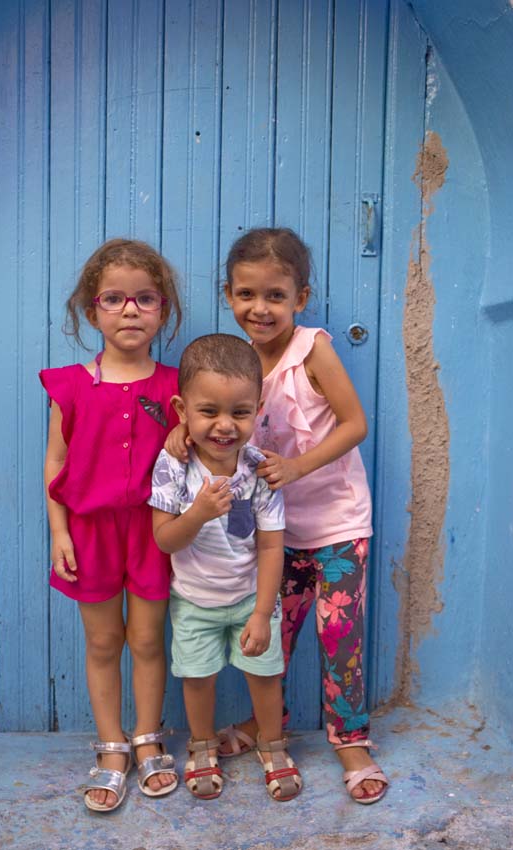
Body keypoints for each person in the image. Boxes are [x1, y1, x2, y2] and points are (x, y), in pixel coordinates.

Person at [168, 227, 388, 804]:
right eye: (246, 294)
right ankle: (271, 727)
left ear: (300, 298)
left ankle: (350, 740)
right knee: (268, 639)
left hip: (337, 525)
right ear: (228, 295)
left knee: (339, 638)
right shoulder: (235, 360)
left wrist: (296, 467)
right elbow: (214, 415)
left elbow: (355, 424)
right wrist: (181, 431)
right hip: (274, 535)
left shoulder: (311, 350)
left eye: (275, 295)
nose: (259, 308)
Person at [40, 238, 182, 812]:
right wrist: (59, 532)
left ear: (163, 311)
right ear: (91, 309)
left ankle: (148, 737)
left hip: (154, 532)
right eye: (114, 298)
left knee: (147, 640)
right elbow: (55, 462)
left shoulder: (176, 386)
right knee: (103, 641)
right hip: (89, 534)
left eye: (145, 298)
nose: (130, 310)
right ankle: (112, 746)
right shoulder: (71, 385)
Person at [149, 334, 302, 802]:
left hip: (249, 598)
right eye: (208, 411)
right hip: (194, 601)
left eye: (239, 412)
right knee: (197, 679)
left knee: (265, 677)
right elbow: (164, 539)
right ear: (182, 410)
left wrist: (262, 612)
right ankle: (202, 746)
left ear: (258, 410)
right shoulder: (173, 466)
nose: (224, 425)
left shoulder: (260, 470)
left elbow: (272, 547)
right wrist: (197, 513)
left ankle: (272, 745)